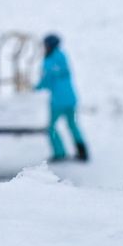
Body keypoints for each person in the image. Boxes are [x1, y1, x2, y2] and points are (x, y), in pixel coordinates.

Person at [35, 34, 88, 163]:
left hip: (58, 101)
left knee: (51, 127)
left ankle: (59, 152)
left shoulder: (49, 61)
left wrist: (35, 88)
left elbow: (47, 80)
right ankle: (82, 151)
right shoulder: (62, 57)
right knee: (72, 125)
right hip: (70, 98)